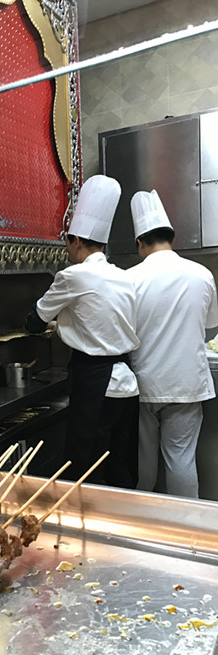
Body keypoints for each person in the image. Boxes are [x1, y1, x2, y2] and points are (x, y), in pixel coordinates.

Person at [25, 175, 139, 488]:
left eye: (67, 243)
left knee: (86, 465)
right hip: (127, 382)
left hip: (95, 380)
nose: (67, 251)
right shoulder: (123, 276)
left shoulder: (73, 276)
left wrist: (50, 325)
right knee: (120, 463)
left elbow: (35, 320)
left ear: (75, 241)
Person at [127, 189, 218, 498]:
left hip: (144, 384)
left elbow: (122, 332)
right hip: (186, 384)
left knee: (143, 462)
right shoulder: (201, 275)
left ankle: (142, 519)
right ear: (172, 238)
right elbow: (209, 326)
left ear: (140, 243)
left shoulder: (130, 279)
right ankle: (187, 522)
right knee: (181, 459)